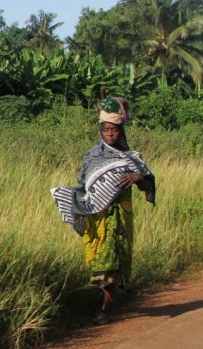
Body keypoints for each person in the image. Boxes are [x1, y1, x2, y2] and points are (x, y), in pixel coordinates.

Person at [51, 97, 156, 325]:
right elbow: (84, 185)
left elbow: (147, 186)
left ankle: (105, 309)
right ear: (101, 131)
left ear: (121, 131)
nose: (110, 134)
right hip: (97, 217)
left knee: (114, 261)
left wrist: (138, 178)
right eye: (106, 130)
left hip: (119, 216)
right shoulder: (92, 155)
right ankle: (104, 302)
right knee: (97, 259)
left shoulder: (132, 158)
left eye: (114, 130)